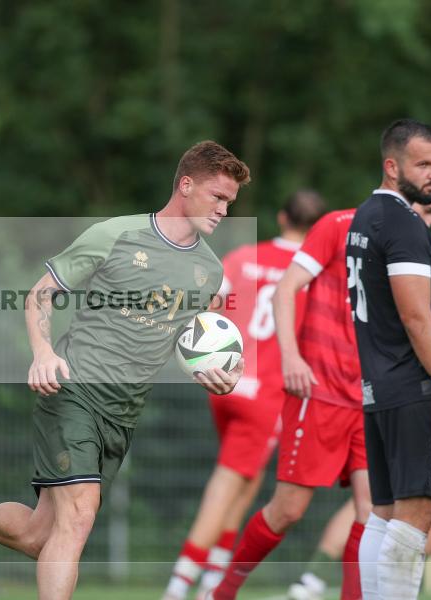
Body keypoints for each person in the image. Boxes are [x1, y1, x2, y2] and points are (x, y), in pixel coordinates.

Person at [0, 140, 251, 599]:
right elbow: (40, 294)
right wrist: (43, 352)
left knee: (40, 535)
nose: (225, 209)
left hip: (123, 412)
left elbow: (179, 343)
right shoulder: (116, 235)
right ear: (186, 185)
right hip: (73, 390)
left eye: (230, 201)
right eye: (218, 196)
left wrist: (208, 373)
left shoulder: (209, 269)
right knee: (80, 515)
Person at [285, 169, 431, 600]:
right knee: (403, 512)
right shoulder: (371, 232)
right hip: (384, 389)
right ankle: (223, 587)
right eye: (429, 210)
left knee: (374, 511)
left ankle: (332, 589)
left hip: (369, 390)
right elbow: (417, 321)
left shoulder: (379, 232)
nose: (430, 222)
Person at [162, 190, 326, 600]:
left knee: (245, 479)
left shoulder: (243, 256)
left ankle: (214, 578)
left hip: (225, 383)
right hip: (266, 395)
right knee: (228, 481)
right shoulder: (312, 273)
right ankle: (180, 584)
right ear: (317, 228)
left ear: (280, 216)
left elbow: (210, 308)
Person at [346, 118, 431, 600]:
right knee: (414, 518)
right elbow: (415, 315)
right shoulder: (402, 223)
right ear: (391, 165)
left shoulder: (365, 216)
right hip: (414, 389)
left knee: (384, 515)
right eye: (422, 164)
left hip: (380, 390)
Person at [214, 207, 371, 600]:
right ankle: (219, 590)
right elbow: (285, 289)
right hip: (305, 393)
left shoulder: (244, 257)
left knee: (371, 510)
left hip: (364, 398)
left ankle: (187, 581)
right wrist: (291, 357)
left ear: (282, 217)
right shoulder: (338, 227)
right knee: (283, 509)